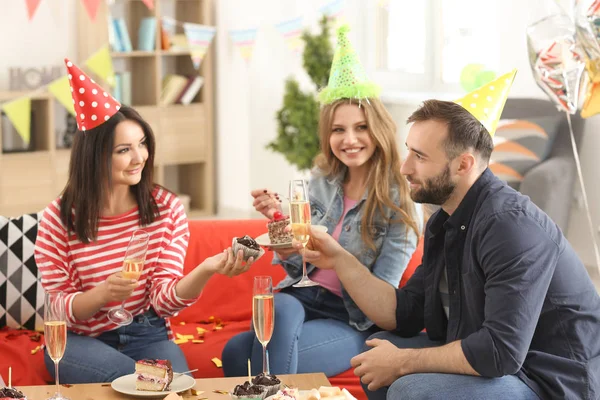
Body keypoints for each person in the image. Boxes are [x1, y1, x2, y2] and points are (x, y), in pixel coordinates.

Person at [298, 71, 600, 400]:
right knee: (373, 368)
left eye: (420, 157)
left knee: (408, 388)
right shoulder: (444, 222)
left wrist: (402, 362)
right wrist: (341, 260)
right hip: (498, 360)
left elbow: (500, 351)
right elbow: (406, 313)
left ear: (463, 164)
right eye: (409, 151)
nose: (404, 167)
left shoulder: (510, 228)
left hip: (545, 379)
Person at [34, 59, 255, 384]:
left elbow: (163, 302)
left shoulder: (165, 208)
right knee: (143, 381)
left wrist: (206, 268)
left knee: (176, 385)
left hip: (147, 332)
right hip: (79, 341)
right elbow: (57, 306)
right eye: (124, 149)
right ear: (94, 157)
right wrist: (103, 294)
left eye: (142, 144)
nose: (140, 157)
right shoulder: (58, 218)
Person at [222, 25, 421, 378]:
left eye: (360, 127)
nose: (349, 139)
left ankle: (273, 386)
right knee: (275, 312)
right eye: (338, 130)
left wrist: (340, 259)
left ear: (378, 130)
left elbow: (384, 298)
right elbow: (300, 264)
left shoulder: (399, 201)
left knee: (240, 357)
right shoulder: (321, 181)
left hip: (351, 318)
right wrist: (282, 235)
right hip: (300, 300)